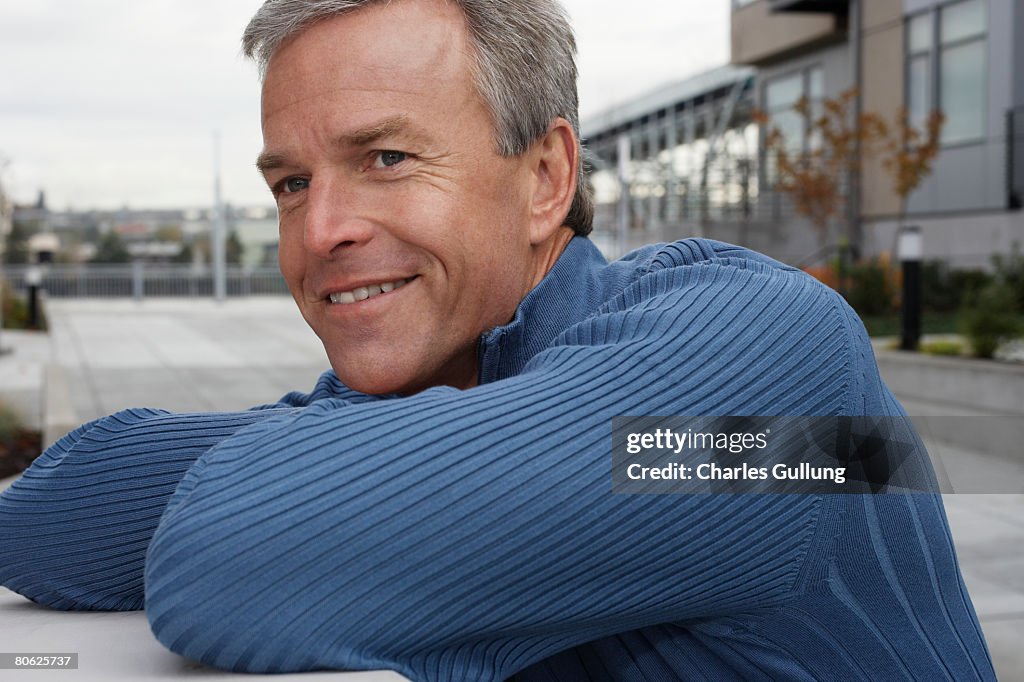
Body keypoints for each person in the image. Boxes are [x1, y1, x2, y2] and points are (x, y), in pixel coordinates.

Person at [0, 0, 996, 680]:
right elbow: (43, 522)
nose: (316, 232)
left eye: (386, 158)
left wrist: (364, 458)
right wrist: (427, 440)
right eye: (290, 184)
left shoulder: (775, 374)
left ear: (546, 177)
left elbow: (225, 557)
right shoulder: (460, 368)